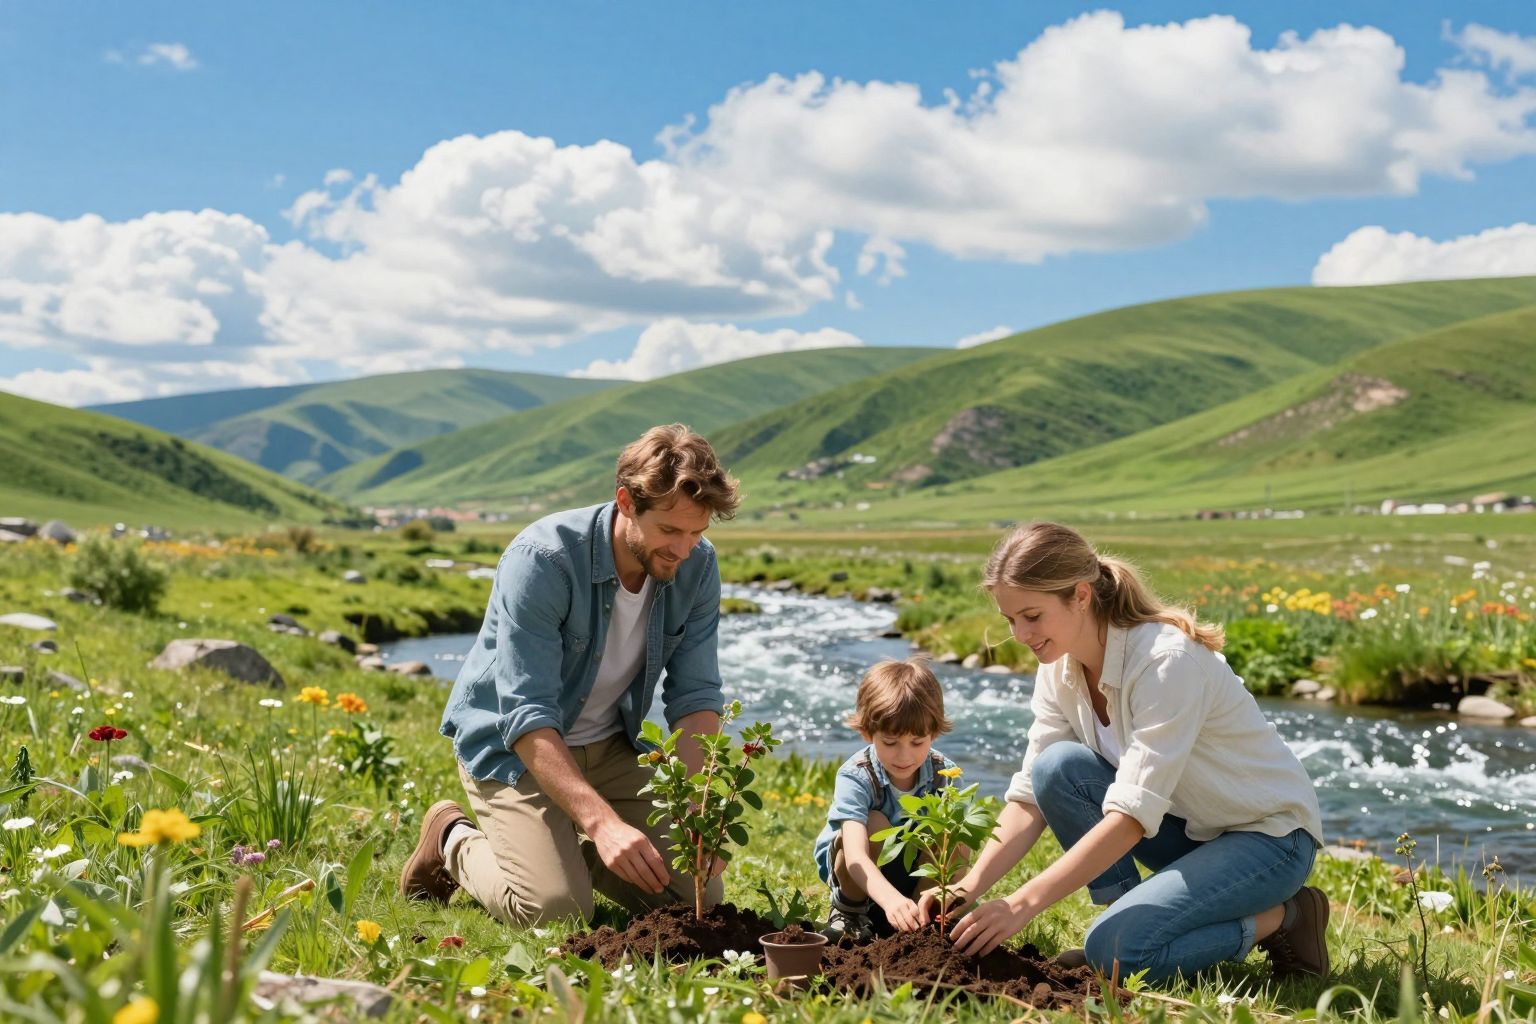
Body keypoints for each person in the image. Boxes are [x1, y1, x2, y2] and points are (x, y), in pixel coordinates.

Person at [930, 522, 1328, 983]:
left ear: (1080, 595)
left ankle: (1286, 918)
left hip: (1269, 840)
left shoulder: (1165, 662)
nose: (1020, 634)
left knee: (1117, 954)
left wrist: (1021, 904)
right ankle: (1123, 922)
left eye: (1032, 616)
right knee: (1057, 768)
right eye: (1010, 619)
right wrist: (965, 887)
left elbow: (1133, 815)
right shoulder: (1059, 665)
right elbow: (1029, 798)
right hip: (1190, 830)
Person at [399, 424, 740, 926]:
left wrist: (698, 810)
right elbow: (526, 713)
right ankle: (453, 838)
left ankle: (560, 852)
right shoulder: (542, 561)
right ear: (626, 502)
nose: (684, 549)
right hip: (514, 749)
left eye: (697, 532)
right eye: (670, 531)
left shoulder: (696, 566)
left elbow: (695, 697)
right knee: (555, 911)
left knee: (697, 895)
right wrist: (602, 824)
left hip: (611, 747)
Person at [814, 657, 963, 942]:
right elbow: (855, 855)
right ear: (867, 733)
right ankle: (850, 912)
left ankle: (923, 917)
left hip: (916, 871)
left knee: (951, 830)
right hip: (857, 873)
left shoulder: (946, 775)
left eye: (917, 742)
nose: (904, 756)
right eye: (891, 743)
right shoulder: (857, 776)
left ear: (934, 732)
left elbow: (959, 851)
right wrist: (890, 900)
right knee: (875, 821)